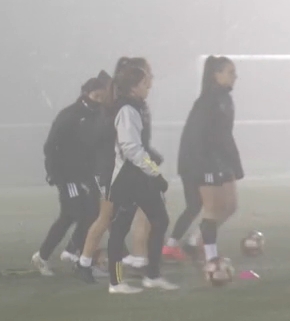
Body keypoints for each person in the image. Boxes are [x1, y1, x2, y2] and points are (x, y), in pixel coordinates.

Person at [75, 60, 150, 284]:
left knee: (116, 216)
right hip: (109, 171)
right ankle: (86, 263)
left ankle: (133, 260)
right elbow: (119, 144)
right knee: (106, 217)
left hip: (113, 169)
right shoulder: (117, 110)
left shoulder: (118, 109)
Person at [105, 61, 177, 294]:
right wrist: (154, 172)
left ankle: (152, 275)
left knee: (159, 220)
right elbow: (131, 148)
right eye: (146, 83)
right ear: (134, 87)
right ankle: (116, 282)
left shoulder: (136, 107)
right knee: (120, 229)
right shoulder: (127, 110)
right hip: (129, 177)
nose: (149, 86)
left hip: (138, 175)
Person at [163, 56, 243, 265]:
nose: (235, 76)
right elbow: (196, 137)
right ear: (216, 74)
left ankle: (192, 243)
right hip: (202, 162)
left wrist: (235, 164)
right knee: (210, 209)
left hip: (218, 161)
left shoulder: (225, 99)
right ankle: (210, 256)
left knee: (230, 206)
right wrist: (202, 167)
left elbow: (225, 135)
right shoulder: (207, 101)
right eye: (230, 72)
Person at [31, 75, 107, 276]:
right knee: (76, 213)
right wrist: (53, 173)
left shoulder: (99, 114)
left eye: (102, 97)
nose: (99, 101)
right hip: (67, 174)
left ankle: (69, 253)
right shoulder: (70, 115)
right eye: (96, 96)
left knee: (90, 213)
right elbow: (51, 145)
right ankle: (60, 255)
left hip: (85, 174)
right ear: (86, 93)